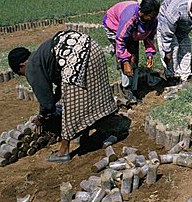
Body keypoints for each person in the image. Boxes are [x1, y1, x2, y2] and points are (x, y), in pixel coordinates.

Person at [8, 31, 117, 162]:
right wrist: (54, 101)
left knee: (71, 106)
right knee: (88, 96)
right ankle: (90, 132)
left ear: (21, 65)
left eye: (20, 73)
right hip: (93, 48)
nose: (24, 76)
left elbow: (46, 102)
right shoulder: (42, 56)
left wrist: (41, 116)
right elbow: (60, 88)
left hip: (79, 57)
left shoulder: (32, 67)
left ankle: (63, 151)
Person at [103, 0, 160, 100]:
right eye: (151, 17)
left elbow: (149, 38)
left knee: (134, 57)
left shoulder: (152, 21)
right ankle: (126, 88)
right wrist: (125, 62)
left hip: (132, 31)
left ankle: (134, 88)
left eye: (154, 16)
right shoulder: (129, 18)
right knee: (127, 59)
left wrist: (149, 54)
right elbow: (120, 40)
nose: (153, 19)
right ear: (142, 13)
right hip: (114, 25)